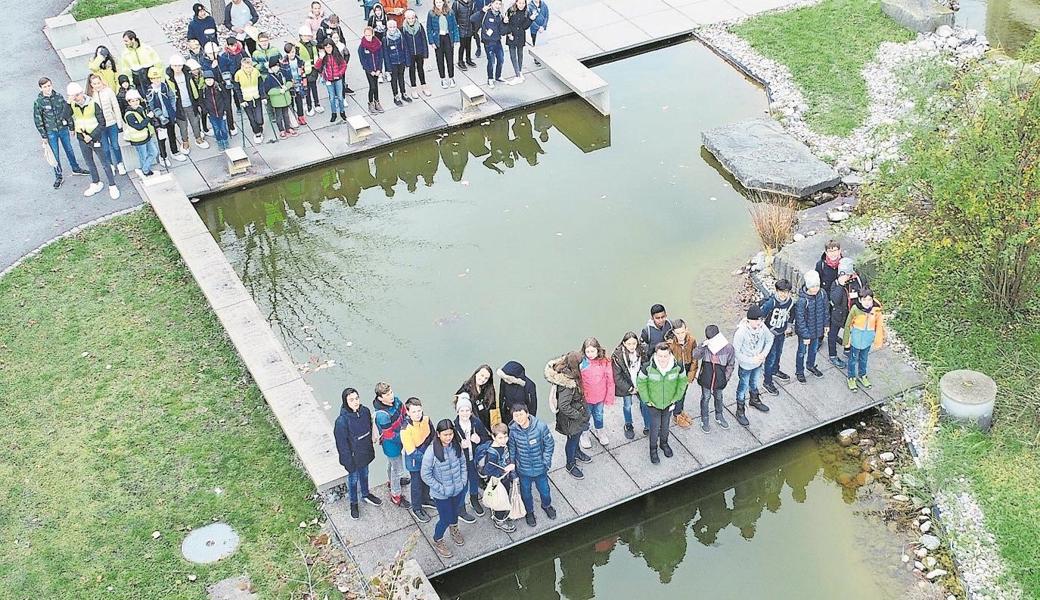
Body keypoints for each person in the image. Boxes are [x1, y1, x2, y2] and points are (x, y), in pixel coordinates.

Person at [421, 419, 471, 559]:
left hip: (458, 489)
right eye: (445, 435)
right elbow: (425, 474)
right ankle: (437, 539)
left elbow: (462, 463)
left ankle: (454, 529)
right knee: (445, 518)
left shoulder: (456, 446)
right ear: (438, 434)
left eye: (450, 434)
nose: (448, 437)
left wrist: (462, 481)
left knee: (455, 512)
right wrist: (441, 488)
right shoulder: (432, 451)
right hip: (441, 494)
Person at [333, 387, 382, 520]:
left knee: (365, 474)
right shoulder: (342, 422)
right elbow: (342, 446)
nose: (355, 402)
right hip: (353, 458)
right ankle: (353, 503)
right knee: (353, 480)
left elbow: (370, 427)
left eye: (356, 398)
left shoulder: (365, 411)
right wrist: (348, 463)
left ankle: (366, 494)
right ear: (345, 402)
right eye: (351, 400)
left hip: (364, 453)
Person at [637, 342, 688, 464]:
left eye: (665, 356)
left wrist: (676, 398)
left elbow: (682, 382)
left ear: (670, 354)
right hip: (653, 404)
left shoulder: (678, 366)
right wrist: (647, 400)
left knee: (665, 426)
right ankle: (653, 449)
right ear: (656, 354)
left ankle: (664, 444)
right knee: (654, 428)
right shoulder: (647, 367)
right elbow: (641, 384)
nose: (662, 359)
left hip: (669, 403)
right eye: (660, 356)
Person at [67, 82, 119, 199]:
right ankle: (96, 182)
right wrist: (68, 102)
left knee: (104, 162)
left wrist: (91, 135)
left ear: (81, 93)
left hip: (95, 137)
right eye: (73, 97)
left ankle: (112, 184)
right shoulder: (73, 105)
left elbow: (102, 123)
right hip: (82, 137)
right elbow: (64, 116)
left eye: (76, 96)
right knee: (89, 162)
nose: (75, 99)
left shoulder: (93, 104)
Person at [507, 403, 556, 527]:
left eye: (521, 414)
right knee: (526, 494)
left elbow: (549, 444)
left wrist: (546, 461)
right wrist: (513, 472)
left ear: (527, 414)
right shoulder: (513, 431)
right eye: (516, 416)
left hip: (540, 468)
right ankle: (529, 513)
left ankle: (546, 505)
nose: (519, 418)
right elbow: (511, 451)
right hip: (523, 470)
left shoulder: (540, 427)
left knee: (545, 491)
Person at [545, 351, 592, 479]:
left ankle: (577, 452)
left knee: (576, 438)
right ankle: (570, 464)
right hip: (571, 419)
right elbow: (564, 405)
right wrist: (578, 415)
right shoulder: (567, 384)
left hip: (578, 414)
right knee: (572, 440)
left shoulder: (571, 374)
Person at [35, 77, 88, 189]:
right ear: (40, 88)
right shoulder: (38, 102)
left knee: (69, 149)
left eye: (49, 85)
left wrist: (71, 126)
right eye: (45, 87)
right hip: (51, 131)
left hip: (63, 129)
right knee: (55, 154)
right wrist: (43, 135)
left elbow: (66, 111)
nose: (48, 88)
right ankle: (58, 176)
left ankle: (76, 168)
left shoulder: (58, 97)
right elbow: (38, 119)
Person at [372, 382, 410, 508]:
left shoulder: (396, 401)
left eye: (391, 392)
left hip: (400, 437)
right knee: (398, 470)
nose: (391, 396)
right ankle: (396, 495)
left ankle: (392, 482)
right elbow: (389, 435)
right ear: (380, 398)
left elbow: (404, 413)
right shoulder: (382, 415)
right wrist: (406, 438)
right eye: (387, 395)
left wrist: (405, 426)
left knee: (392, 465)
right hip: (392, 446)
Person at [691, 325, 735, 432]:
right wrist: (702, 345)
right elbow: (695, 355)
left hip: (719, 379)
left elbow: (731, 364)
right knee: (705, 398)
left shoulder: (728, 348)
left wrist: (726, 378)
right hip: (706, 377)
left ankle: (719, 415)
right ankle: (704, 418)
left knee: (719, 397)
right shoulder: (706, 346)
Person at [733, 305, 771, 427]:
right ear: (749, 320)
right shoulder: (741, 332)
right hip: (745, 366)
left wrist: (763, 354)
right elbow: (736, 352)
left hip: (758, 363)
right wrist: (751, 359)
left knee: (754, 382)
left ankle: (754, 400)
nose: (759, 323)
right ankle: (740, 411)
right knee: (742, 388)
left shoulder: (762, 327)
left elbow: (770, 339)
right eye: (756, 320)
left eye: (760, 320)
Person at [400, 397, 436, 522]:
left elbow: (433, 435)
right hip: (415, 461)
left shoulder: (426, 419)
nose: (417, 414)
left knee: (426, 480)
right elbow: (411, 452)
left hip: (426, 454)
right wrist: (429, 460)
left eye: (419, 411)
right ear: (408, 412)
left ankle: (425, 499)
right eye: (414, 412)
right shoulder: (405, 430)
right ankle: (416, 508)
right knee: (416, 485)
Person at [453, 395, 490, 517]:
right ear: (458, 412)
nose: (465, 413)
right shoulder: (454, 426)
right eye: (462, 410)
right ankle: (461, 507)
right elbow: (449, 446)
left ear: (471, 411)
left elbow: (487, 439)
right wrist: (459, 445)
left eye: (467, 410)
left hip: (474, 458)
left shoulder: (476, 423)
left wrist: (479, 439)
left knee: (474, 480)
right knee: (462, 484)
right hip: (461, 460)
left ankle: (474, 500)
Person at [828, 257, 868, 368]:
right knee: (832, 334)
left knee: (851, 333)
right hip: (838, 314)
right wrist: (840, 285)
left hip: (852, 314)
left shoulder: (858, 280)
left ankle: (847, 349)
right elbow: (835, 300)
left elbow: (864, 293)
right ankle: (832, 356)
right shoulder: (836, 284)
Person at [843, 288, 885, 391]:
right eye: (865, 300)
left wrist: (878, 341)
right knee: (852, 360)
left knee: (864, 359)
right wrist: (846, 341)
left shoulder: (876, 310)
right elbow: (848, 325)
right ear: (860, 300)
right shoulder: (855, 309)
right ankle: (851, 377)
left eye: (869, 300)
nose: (867, 303)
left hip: (867, 340)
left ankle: (862, 375)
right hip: (856, 341)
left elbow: (879, 326)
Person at [759, 278, 794, 396]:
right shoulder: (771, 303)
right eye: (781, 291)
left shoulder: (790, 302)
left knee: (778, 353)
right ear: (776, 291)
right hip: (770, 335)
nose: (783, 294)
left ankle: (775, 370)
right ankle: (767, 381)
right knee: (770, 358)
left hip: (781, 333)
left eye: (786, 292)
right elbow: (761, 317)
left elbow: (792, 313)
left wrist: (789, 325)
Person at [167, 55, 208, 153]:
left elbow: (194, 88)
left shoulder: (188, 74)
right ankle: (185, 142)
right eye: (175, 66)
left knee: (195, 122)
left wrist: (197, 102)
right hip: (178, 106)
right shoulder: (169, 78)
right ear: (171, 66)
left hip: (190, 103)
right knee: (182, 126)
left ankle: (198, 138)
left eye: (179, 65)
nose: (177, 68)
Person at [612, 332, 650, 439]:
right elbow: (617, 377)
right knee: (627, 405)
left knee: (645, 404)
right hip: (627, 386)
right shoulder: (617, 356)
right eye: (629, 344)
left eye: (634, 343)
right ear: (624, 343)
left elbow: (646, 367)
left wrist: (642, 384)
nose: (632, 346)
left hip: (640, 384)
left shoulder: (642, 351)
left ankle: (648, 426)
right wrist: (630, 388)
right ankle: (628, 425)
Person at [86, 74, 126, 176]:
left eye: (98, 83)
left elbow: (115, 107)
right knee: (105, 147)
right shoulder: (90, 96)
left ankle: (120, 163)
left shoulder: (108, 91)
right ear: (91, 85)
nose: (97, 85)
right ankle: (111, 165)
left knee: (115, 145)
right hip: (100, 126)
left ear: (101, 82)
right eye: (94, 84)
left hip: (112, 123)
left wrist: (119, 122)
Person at [480, 423, 517, 532]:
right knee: (499, 498)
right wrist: (505, 469)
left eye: (505, 437)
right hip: (497, 480)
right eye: (500, 438)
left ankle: (500, 513)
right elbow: (488, 470)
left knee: (504, 495)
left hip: (504, 478)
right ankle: (499, 520)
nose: (504, 440)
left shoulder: (503, 446)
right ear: (493, 437)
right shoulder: (492, 453)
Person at [578, 337, 614, 446]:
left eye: (592, 351)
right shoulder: (581, 363)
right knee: (586, 417)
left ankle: (600, 431)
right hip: (586, 398)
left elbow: (610, 380)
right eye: (587, 351)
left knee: (599, 415)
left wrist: (609, 397)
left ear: (598, 350)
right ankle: (584, 434)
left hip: (600, 397)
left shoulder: (605, 361)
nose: (590, 354)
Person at [794, 270, 829, 383]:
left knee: (813, 350)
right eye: (812, 286)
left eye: (817, 286)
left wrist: (826, 324)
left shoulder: (822, 294)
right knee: (801, 352)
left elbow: (825, 310)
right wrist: (805, 335)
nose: (815, 289)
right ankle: (799, 371)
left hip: (817, 330)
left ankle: (811, 365)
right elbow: (800, 320)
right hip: (806, 332)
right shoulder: (802, 301)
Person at [665, 319, 698, 428]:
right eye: (678, 333)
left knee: (683, 393)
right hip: (675, 372)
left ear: (686, 330)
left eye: (682, 332)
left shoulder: (691, 341)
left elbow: (695, 358)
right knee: (677, 394)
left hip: (687, 369)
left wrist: (691, 375)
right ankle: (676, 415)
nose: (680, 335)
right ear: (674, 333)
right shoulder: (670, 344)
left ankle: (679, 410)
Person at [472, 0, 507, 87]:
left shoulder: (500, 16)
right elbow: (472, 19)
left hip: (497, 41)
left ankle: (498, 76)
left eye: (499, 4)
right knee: (491, 61)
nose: (498, 6)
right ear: (491, 4)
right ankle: (490, 78)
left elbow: (502, 32)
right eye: (496, 4)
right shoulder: (485, 13)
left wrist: (505, 23)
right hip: (488, 42)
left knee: (501, 59)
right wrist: (482, 11)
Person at [426, 0, 459, 89]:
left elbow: (455, 26)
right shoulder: (431, 13)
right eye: (437, 3)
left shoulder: (450, 12)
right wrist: (431, 42)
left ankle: (451, 77)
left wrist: (456, 39)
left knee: (450, 59)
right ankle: (443, 78)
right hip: (438, 38)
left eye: (440, 2)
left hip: (448, 37)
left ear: (444, 2)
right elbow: (429, 28)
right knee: (440, 60)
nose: (438, 4)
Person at [262, 56, 296, 138]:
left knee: (286, 114)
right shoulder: (268, 78)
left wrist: (286, 87)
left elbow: (290, 81)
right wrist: (278, 91)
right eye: (273, 66)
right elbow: (268, 91)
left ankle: (288, 128)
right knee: (279, 116)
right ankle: (281, 130)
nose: (276, 68)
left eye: (277, 66)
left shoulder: (283, 72)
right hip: (277, 101)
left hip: (285, 99)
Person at [315, 39, 349, 121]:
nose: (328, 49)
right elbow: (317, 66)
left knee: (340, 97)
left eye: (330, 47)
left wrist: (340, 74)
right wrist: (321, 58)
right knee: (332, 98)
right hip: (328, 80)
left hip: (338, 79)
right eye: (326, 47)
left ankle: (342, 112)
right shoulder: (324, 57)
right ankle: (334, 113)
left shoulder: (337, 55)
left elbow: (344, 65)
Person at [234, 55, 265, 143]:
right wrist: (241, 100)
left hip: (256, 97)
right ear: (242, 66)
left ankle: (260, 127)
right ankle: (257, 133)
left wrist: (263, 96)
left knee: (259, 118)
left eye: (250, 67)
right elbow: (237, 89)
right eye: (246, 67)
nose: (248, 69)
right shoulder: (238, 75)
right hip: (246, 100)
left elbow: (260, 85)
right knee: (251, 118)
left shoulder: (256, 72)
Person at [497, 360, 537, 426]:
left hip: (523, 416)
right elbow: (501, 398)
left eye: (508, 379)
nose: (506, 381)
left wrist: (530, 422)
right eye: (504, 378)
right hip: (508, 415)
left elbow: (533, 406)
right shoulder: (504, 381)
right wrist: (503, 419)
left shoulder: (529, 385)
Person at [199, 70, 231, 150]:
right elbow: (201, 102)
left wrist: (225, 109)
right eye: (207, 80)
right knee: (216, 129)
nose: (209, 81)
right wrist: (206, 111)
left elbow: (225, 98)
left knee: (223, 128)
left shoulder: (219, 87)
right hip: (211, 114)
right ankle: (219, 141)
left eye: (210, 79)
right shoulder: (203, 90)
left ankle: (225, 140)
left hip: (221, 112)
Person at [296, 26, 323, 116]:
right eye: (305, 36)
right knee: (306, 90)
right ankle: (309, 107)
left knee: (314, 88)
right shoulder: (298, 47)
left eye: (308, 35)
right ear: (301, 36)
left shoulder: (313, 45)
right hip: (304, 72)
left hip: (314, 69)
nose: (307, 37)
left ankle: (317, 104)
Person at [382, 20, 409, 106]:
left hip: (401, 60)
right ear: (387, 28)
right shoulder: (385, 39)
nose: (393, 29)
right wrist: (388, 67)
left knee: (401, 77)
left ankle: (403, 93)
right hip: (392, 62)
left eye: (394, 27)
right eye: (390, 27)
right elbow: (385, 54)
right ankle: (396, 95)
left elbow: (405, 48)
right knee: (394, 79)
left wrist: (407, 60)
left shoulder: (400, 36)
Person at [358, 27, 385, 114]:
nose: (367, 37)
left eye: (369, 35)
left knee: (376, 87)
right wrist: (370, 70)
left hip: (376, 69)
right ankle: (370, 103)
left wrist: (379, 69)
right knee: (372, 86)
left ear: (373, 34)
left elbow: (380, 57)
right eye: (366, 35)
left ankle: (377, 101)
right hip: (369, 70)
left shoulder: (378, 44)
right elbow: (363, 60)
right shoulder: (362, 46)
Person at [504, 0, 532, 84]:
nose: (521, 5)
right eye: (520, 3)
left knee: (520, 54)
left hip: (520, 36)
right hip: (511, 35)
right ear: (516, 3)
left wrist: (530, 20)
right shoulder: (510, 11)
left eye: (523, 3)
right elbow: (506, 23)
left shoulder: (526, 12)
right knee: (513, 56)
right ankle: (517, 75)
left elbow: (525, 27)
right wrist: (509, 33)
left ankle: (519, 71)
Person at [281, 44, 308, 126]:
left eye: (293, 52)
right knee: (291, 102)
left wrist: (304, 84)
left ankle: (301, 116)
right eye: (290, 53)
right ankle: (293, 118)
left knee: (299, 102)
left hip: (299, 83)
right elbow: (283, 75)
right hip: (290, 85)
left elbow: (303, 73)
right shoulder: (283, 62)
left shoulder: (299, 60)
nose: (292, 54)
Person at [453, 0, 480, 70]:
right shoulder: (457, 4)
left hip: (469, 27)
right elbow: (453, 17)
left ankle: (468, 59)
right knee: (462, 45)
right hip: (461, 28)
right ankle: (460, 61)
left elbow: (474, 16)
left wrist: (475, 28)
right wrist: (456, 27)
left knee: (468, 45)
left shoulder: (472, 3)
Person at [368, 2, 390, 82]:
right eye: (376, 10)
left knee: (386, 56)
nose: (378, 12)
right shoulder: (372, 19)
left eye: (379, 10)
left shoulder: (386, 17)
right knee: (378, 57)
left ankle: (387, 72)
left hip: (384, 39)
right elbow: (369, 29)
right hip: (376, 40)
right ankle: (380, 73)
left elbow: (389, 28)